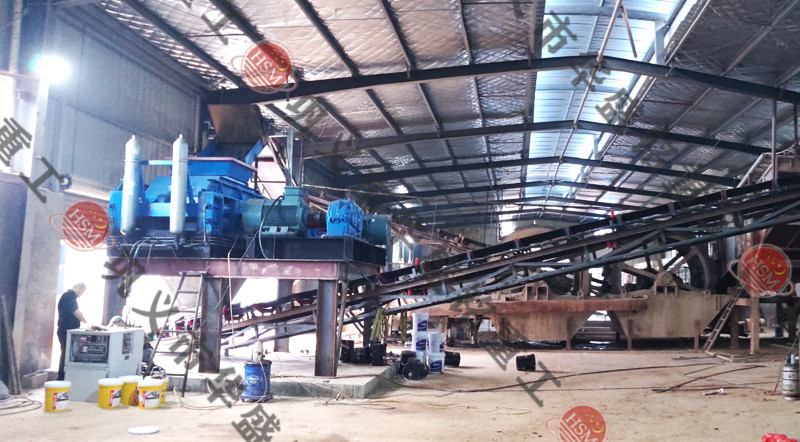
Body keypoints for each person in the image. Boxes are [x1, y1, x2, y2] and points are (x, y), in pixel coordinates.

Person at [56, 283, 88, 380]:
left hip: (67, 331)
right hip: (65, 331)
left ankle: (65, 376)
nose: (81, 295)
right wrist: (86, 323)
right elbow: (76, 312)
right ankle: (62, 377)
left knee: (67, 353)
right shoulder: (69, 296)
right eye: (82, 292)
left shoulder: (70, 297)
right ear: (80, 288)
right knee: (66, 354)